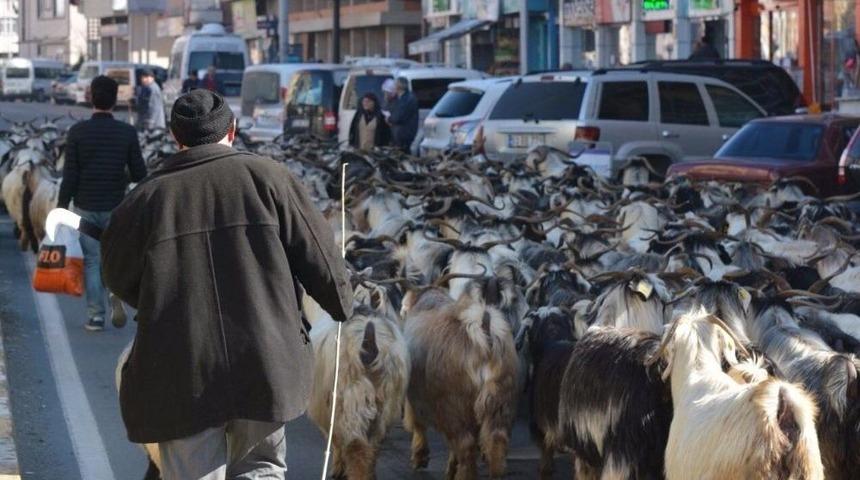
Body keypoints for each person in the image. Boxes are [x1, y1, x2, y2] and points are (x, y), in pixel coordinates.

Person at [100, 89, 353, 480]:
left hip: (183, 367)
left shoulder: (145, 200)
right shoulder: (270, 178)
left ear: (175, 138)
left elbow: (116, 275)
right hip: (267, 358)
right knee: (261, 468)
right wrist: (341, 305)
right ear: (232, 131)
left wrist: (161, 299)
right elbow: (318, 253)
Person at [58, 75, 146, 332]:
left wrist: (62, 207)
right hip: (117, 208)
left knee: (92, 261)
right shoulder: (127, 133)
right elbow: (140, 174)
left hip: (85, 207)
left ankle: (95, 316)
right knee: (114, 259)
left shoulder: (77, 132)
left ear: (90, 97)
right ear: (115, 98)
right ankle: (115, 294)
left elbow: (70, 175)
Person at [387, 77, 419, 152]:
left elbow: (399, 116)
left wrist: (389, 118)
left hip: (404, 134)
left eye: (395, 84)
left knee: (403, 154)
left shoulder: (407, 99)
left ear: (399, 86)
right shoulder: (402, 98)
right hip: (402, 133)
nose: (393, 87)